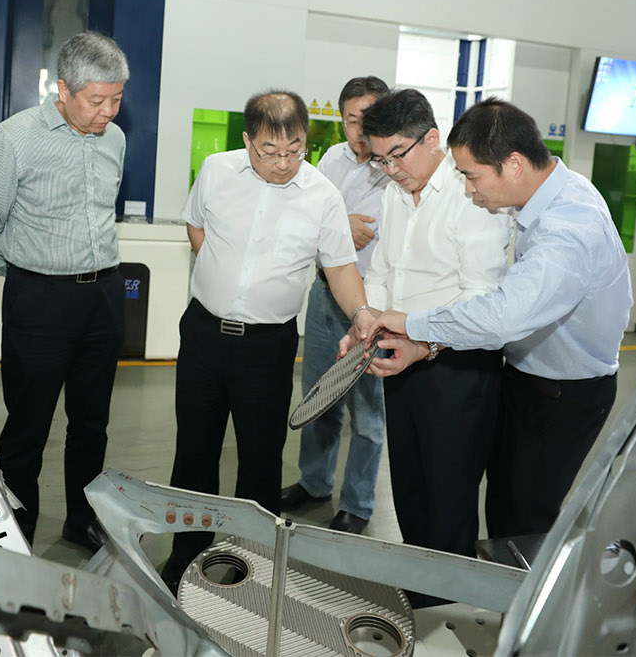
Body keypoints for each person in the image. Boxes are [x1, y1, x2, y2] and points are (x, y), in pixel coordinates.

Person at [341, 99, 633, 543]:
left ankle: (514, 590)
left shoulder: (569, 229)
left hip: (563, 393)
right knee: (499, 505)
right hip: (525, 376)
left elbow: (500, 317)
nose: (468, 188)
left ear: (513, 164)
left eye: (472, 176)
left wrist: (411, 326)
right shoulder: (551, 194)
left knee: (520, 520)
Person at [161, 91, 373, 587]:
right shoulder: (216, 170)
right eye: (269, 151)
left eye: (294, 150)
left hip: (267, 347)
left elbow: (340, 268)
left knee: (259, 461)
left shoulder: (322, 195)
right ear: (247, 140)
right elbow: (196, 228)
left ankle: (250, 567)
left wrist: (361, 314)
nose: (282, 163)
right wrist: (226, 278)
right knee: (193, 453)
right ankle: (185, 557)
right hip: (203, 336)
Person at [0, 31, 130, 553]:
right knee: (28, 425)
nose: (108, 112)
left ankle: (82, 521)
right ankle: (16, 529)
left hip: (103, 296)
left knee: (92, 422)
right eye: (97, 100)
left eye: (116, 99)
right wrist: (23, 277)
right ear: (63, 89)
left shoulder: (115, 139)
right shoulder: (13, 139)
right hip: (39, 299)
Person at [357, 88, 514, 556]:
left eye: (397, 155)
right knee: (409, 488)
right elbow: (382, 271)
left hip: (456, 369)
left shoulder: (473, 195)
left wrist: (423, 342)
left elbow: (480, 297)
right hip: (400, 360)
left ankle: (447, 591)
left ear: (431, 139)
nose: (390, 169)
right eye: (380, 160)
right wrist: (368, 322)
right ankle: (417, 583)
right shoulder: (393, 194)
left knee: (448, 498)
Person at [280, 77, 395, 535]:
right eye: (351, 120)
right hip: (326, 296)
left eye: (369, 119)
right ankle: (314, 483)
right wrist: (341, 222)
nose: (359, 129)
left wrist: (336, 226)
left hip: (373, 304)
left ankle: (358, 505)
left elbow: (376, 236)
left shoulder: (395, 169)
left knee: (367, 416)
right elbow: (312, 219)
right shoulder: (331, 159)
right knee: (319, 397)